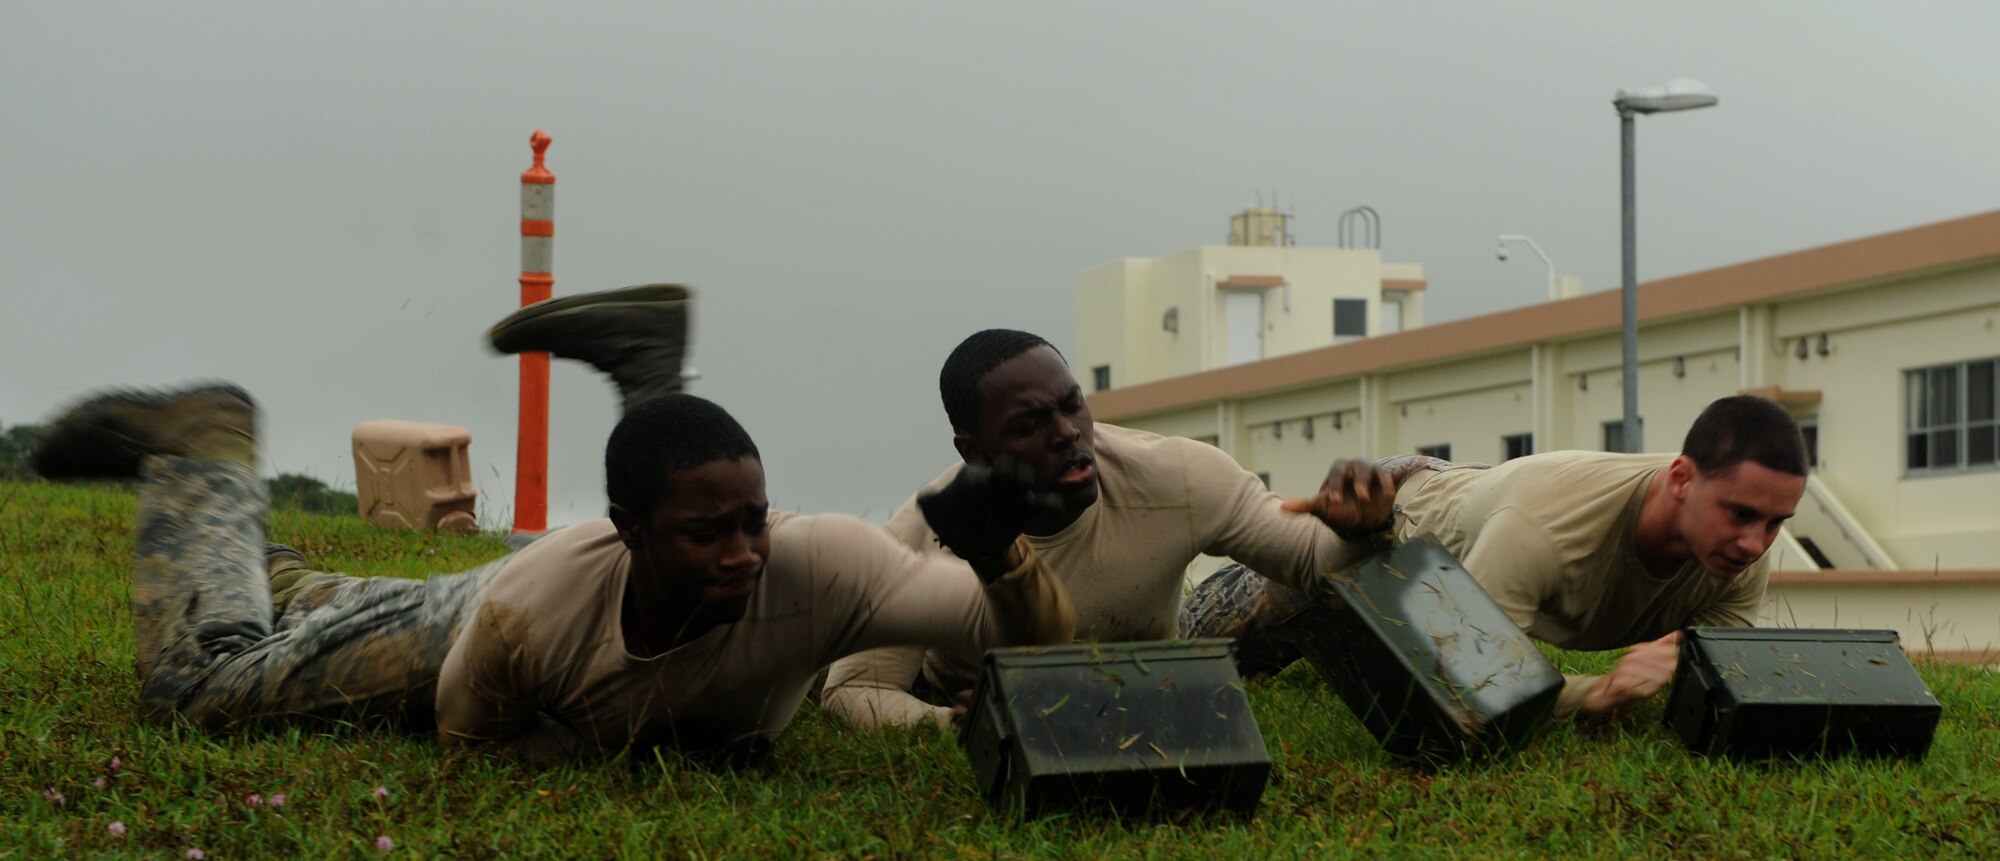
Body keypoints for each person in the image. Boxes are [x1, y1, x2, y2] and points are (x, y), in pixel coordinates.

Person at [33, 288, 1074, 762]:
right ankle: (210, 454)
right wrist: (633, 736)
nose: (746, 555)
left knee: (325, 607)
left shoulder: (831, 565)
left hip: (576, 585)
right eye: (714, 534)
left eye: (753, 522)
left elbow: (1037, 646)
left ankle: (648, 375)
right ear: (625, 527)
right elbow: (465, 735)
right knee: (208, 684)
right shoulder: (527, 614)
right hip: (473, 628)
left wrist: (1001, 556)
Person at [815, 329, 1400, 730]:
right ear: (975, 452)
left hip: (1151, 676)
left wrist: (1362, 526)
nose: (1068, 432)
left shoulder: (1180, 475)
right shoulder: (925, 530)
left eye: (1073, 405)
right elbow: (852, 690)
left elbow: (1310, 562)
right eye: (1030, 423)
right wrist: (960, 724)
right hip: (971, 690)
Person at [1184, 394, 1810, 718]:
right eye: (1740, 515)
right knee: (1184, 662)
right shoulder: (1545, 528)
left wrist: (1676, 666)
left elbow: (1718, 660)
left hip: (1480, 496)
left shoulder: (1743, 547)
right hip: (1389, 529)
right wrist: (1591, 697)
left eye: (1776, 521)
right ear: (1681, 478)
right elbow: (1465, 670)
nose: (1755, 544)